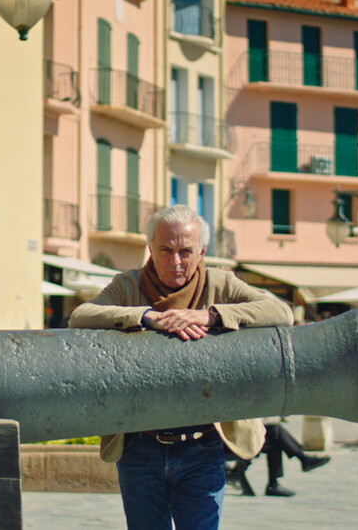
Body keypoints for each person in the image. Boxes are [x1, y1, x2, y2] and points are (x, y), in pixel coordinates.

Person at [70, 205, 293, 530]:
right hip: (140, 447)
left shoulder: (220, 284)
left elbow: (280, 312)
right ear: (151, 249)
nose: (176, 261)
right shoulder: (127, 286)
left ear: (201, 251)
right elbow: (80, 316)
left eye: (185, 251)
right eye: (166, 250)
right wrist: (144, 316)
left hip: (203, 446)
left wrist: (214, 315)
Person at [224, 423, 331, 497]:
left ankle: (274, 484)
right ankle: (302, 460)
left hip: (237, 436)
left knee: (275, 434)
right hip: (226, 441)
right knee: (275, 433)